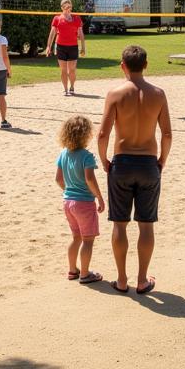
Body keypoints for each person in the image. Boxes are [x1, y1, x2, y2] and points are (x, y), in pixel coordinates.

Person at [96, 45, 172, 295]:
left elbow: (103, 133)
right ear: (146, 65)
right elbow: (168, 134)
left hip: (123, 162)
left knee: (119, 224)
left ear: (123, 66)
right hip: (148, 162)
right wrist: (162, 160)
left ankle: (121, 279)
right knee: (146, 225)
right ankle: (141, 279)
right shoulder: (158, 94)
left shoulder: (115, 94)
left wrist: (104, 159)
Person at [55, 114, 105, 285]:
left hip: (67, 201)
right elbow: (90, 179)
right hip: (84, 202)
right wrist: (99, 197)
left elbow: (59, 179)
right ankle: (85, 274)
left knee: (75, 237)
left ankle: (72, 269)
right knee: (88, 240)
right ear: (86, 135)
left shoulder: (63, 153)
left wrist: (68, 191)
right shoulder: (86, 156)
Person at [45, 0, 85, 96]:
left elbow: (81, 34)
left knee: (71, 70)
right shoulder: (57, 18)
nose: (68, 9)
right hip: (61, 46)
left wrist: (83, 47)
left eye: (70, 7)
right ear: (62, 8)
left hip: (73, 46)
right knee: (63, 70)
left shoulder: (77, 18)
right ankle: (65, 89)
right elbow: (52, 33)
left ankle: (72, 86)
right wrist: (48, 46)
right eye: (66, 7)